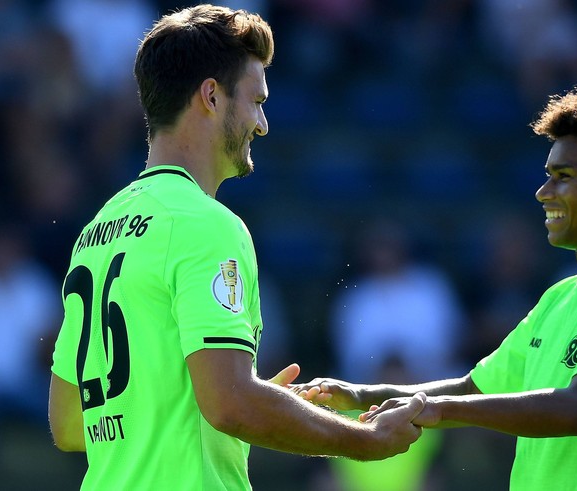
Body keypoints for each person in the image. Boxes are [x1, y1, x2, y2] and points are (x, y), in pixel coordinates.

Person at [47, 5, 425, 490]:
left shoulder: (98, 230)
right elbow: (230, 405)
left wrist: (229, 397)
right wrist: (364, 438)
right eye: (256, 101)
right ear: (210, 96)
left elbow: (70, 424)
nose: (262, 123)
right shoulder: (207, 225)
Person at [296, 86, 577, 491]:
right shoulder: (560, 296)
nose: (544, 192)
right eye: (547, 177)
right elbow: (474, 387)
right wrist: (359, 394)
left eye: (564, 177)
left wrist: (434, 408)